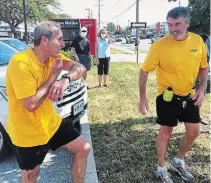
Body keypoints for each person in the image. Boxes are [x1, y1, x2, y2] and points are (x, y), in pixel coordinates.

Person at [6, 21, 90, 183]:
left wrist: (65, 78)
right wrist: (53, 78)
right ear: (45, 40)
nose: (63, 43)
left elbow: (81, 69)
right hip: (26, 132)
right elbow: (31, 105)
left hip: (50, 123)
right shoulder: (21, 63)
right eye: (59, 39)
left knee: (83, 149)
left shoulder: (54, 58)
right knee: (31, 175)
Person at [139, 7, 208, 183]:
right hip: (167, 96)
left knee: (193, 132)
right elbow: (144, 72)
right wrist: (142, 97)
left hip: (190, 95)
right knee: (165, 132)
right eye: (170, 25)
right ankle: (161, 169)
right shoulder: (159, 46)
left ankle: (178, 161)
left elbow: (203, 67)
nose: (173, 29)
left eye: (177, 24)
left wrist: (202, 88)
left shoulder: (197, 41)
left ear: (187, 23)